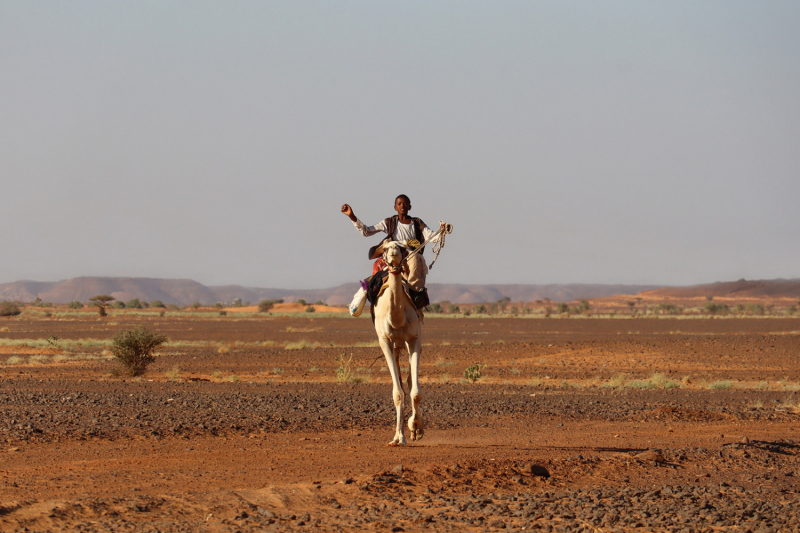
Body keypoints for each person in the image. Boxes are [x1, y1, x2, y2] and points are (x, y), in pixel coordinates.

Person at [341, 194, 440, 315]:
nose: (402, 205)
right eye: (399, 204)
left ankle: (415, 295)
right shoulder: (389, 222)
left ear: (410, 207)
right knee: (375, 279)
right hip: (394, 255)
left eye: (405, 203)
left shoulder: (417, 223)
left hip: (411, 256)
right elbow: (366, 231)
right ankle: (359, 302)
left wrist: (443, 231)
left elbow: (433, 237)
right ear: (395, 207)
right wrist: (352, 216)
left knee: (414, 259)